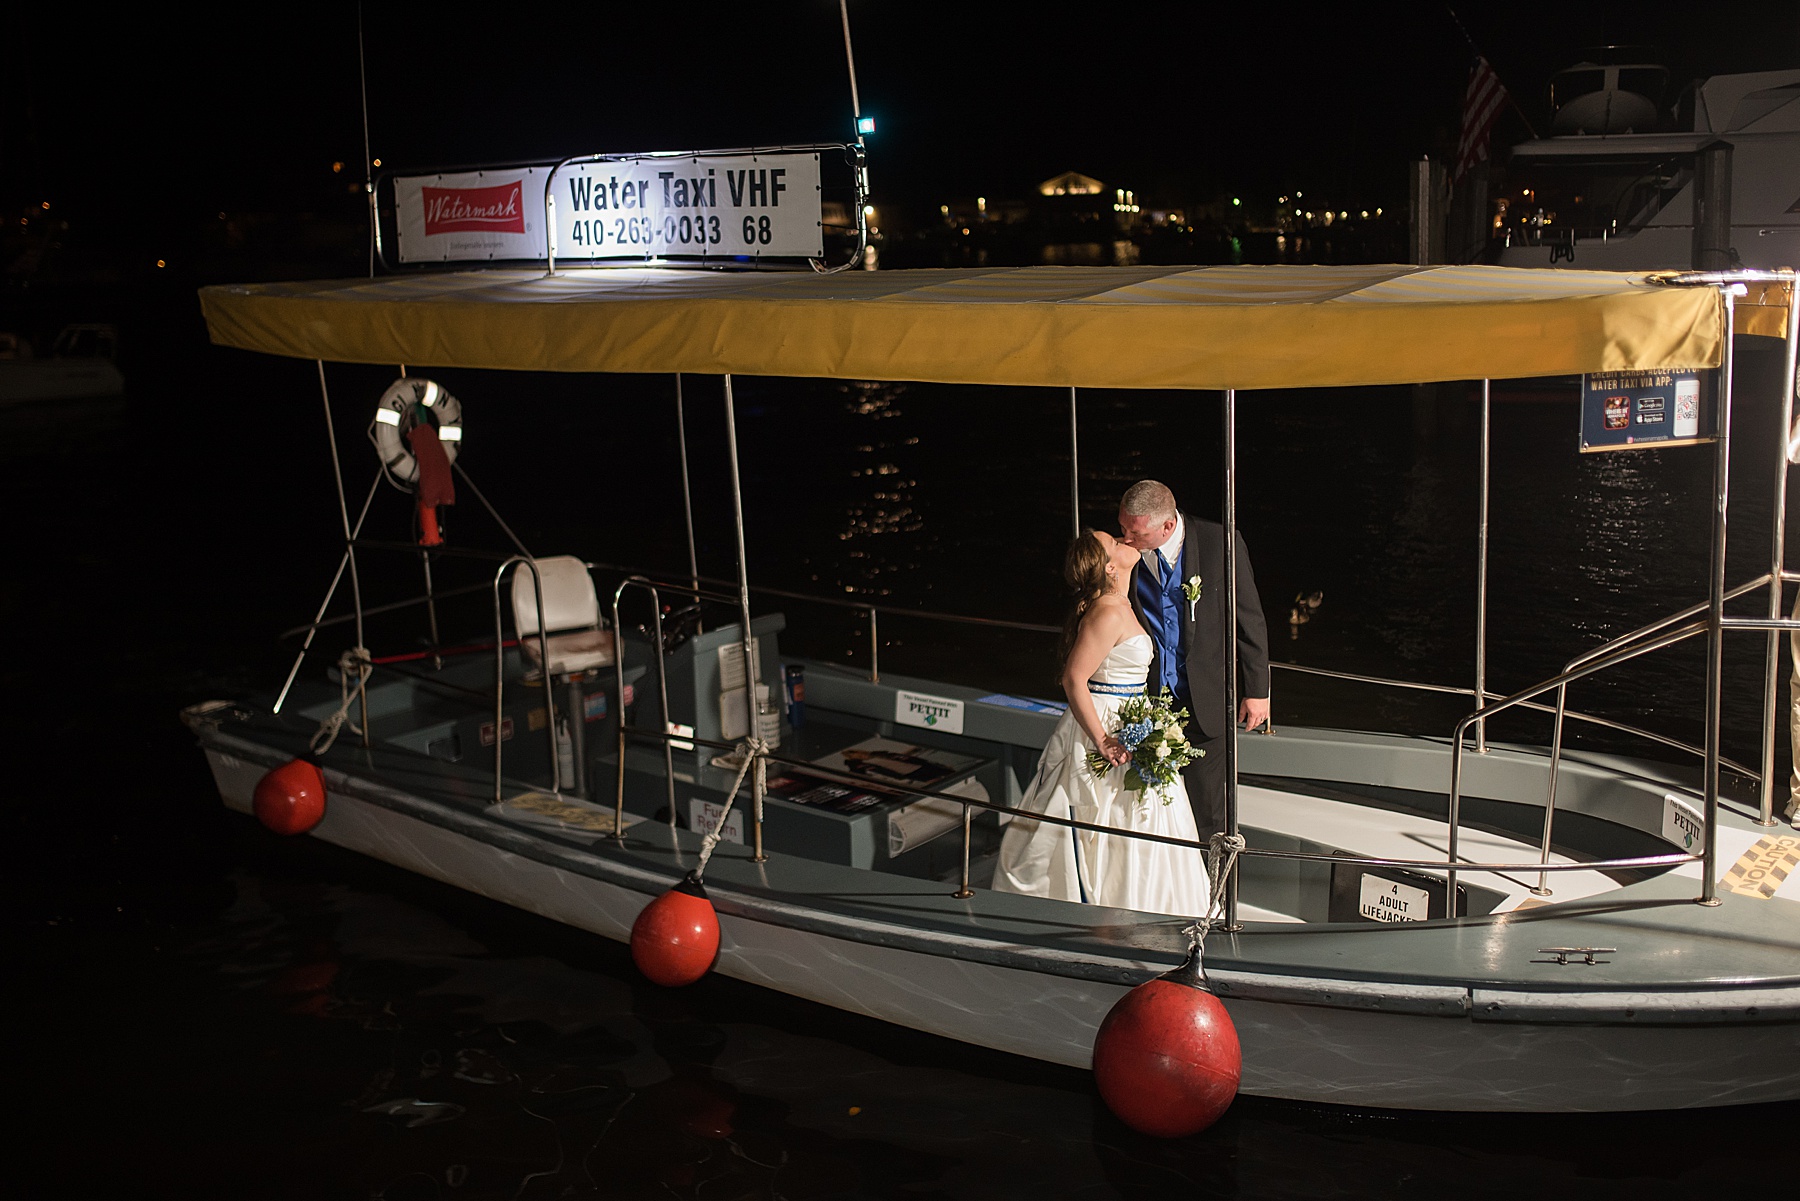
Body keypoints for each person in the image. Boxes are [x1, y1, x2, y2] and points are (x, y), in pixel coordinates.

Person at [991, 529, 1212, 916]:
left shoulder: (1121, 602)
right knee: (1106, 816)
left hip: (1135, 715)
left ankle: (1154, 902)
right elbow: (1073, 678)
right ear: (1111, 567)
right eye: (1114, 541)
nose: (1124, 541)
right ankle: (1105, 905)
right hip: (1109, 721)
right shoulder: (1108, 612)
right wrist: (1103, 740)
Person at [1117, 480, 1270, 840]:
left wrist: (1257, 690)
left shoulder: (1221, 543)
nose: (1125, 538)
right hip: (1148, 706)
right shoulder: (1125, 555)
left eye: (1134, 532)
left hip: (1206, 702)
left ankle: (1212, 891)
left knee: (1208, 814)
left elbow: (1250, 619)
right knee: (1149, 808)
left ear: (1167, 526)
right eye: (1122, 527)